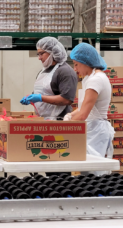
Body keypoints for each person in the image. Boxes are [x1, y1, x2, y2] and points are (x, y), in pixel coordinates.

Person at [64, 42, 115, 175]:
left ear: (85, 61)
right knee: (89, 173)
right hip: (92, 128)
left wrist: (64, 127)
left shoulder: (96, 80)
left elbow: (83, 115)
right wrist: (69, 115)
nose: (75, 69)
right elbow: (82, 108)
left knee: (95, 175)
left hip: (96, 131)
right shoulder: (90, 78)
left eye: (76, 64)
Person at [20, 37, 78, 120]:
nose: (39, 58)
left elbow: (66, 99)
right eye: (38, 54)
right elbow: (42, 92)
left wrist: (40, 98)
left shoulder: (65, 71)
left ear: (53, 52)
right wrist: (31, 97)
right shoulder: (43, 71)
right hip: (44, 119)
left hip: (59, 120)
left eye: (41, 53)